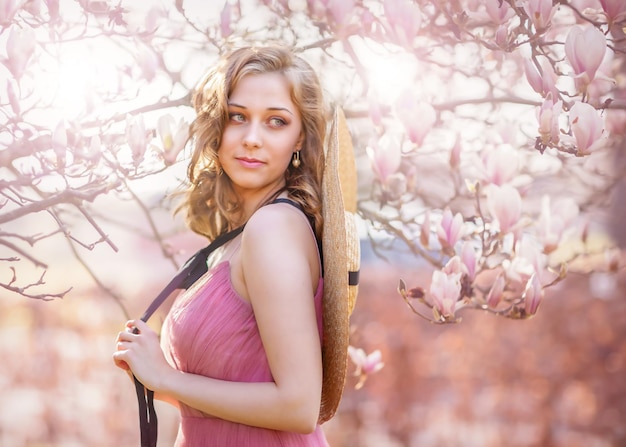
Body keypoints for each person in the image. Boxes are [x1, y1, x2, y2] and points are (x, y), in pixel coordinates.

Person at [113, 45, 356, 446]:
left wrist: (165, 377)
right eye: (237, 117)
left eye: (276, 121)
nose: (252, 139)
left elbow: (298, 407)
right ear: (218, 125)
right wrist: (151, 375)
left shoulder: (272, 228)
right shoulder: (245, 234)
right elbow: (232, 404)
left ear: (300, 138)